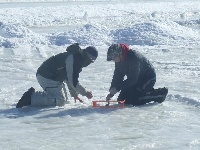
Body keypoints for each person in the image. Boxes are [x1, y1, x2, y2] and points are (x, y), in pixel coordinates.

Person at [16, 43, 98, 108]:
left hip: (54, 78)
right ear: (87, 56)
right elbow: (72, 80)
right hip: (46, 76)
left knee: (65, 100)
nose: (91, 62)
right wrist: (85, 93)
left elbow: (68, 78)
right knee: (60, 101)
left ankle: (34, 96)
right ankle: (31, 98)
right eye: (91, 59)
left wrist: (74, 94)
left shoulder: (77, 59)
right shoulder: (74, 59)